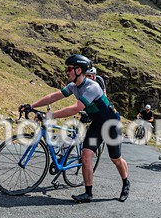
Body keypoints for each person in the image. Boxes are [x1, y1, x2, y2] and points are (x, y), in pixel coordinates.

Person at [22, 54, 129, 203]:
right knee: (86, 156)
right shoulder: (73, 86)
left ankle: (125, 182)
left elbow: (75, 108)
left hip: (111, 124)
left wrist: (49, 116)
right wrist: (31, 106)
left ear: (79, 70)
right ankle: (88, 193)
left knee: (115, 158)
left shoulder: (93, 87)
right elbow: (54, 96)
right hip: (97, 125)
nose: (67, 72)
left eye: (69, 69)